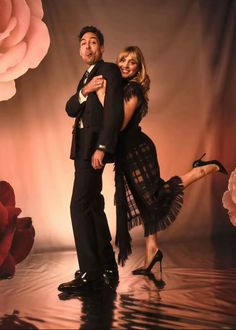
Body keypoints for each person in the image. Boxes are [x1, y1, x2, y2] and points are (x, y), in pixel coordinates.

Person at [90, 45, 228, 276]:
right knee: (145, 203)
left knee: (155, 197)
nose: (125, 65)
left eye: (131, 62)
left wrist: (100, 93)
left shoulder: (133, 89)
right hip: (126, 154)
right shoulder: (121, 88)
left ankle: (201, 169)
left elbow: (119, 124)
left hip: (138, 152)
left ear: (138, 69)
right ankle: (152, 250)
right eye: (122, 60)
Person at [58, 26, 123, 293]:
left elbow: (113, 112)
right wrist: (84, 90)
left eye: (92, 42)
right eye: (83, 42)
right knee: (93, 206)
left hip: (93, 149)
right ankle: (107, 265)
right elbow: (71, 108)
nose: (87, 47)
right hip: (82, 149)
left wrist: (103, 147)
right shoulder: (86, 78)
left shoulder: (108, 70)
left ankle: (89, 272)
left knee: (79, 206)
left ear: (102, 47)